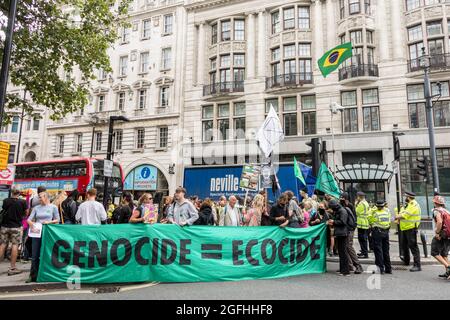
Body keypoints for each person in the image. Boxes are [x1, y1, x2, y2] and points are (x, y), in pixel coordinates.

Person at [26, 192, 59, 282]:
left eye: (40, 197)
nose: (39, 199)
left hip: (48, 233)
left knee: (47, 254)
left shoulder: (53, 207)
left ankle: (47, 274)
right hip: (37, 232)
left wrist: (49, 222)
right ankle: (33, 275)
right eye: (39, 197)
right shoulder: (36, 208)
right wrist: (31, 223)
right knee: (35, 254)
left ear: (46, 197)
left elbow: (57, 220)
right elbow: (28, 219)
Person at [0, 189, 28, 276]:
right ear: (19, 193)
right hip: (16, 227)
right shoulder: (22, 202)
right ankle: (12, 268)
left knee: (3, 245)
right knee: (15, 245)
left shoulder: (6, 201)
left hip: (4, 226)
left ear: (11, 192)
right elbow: (26, 213)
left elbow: (4, 210)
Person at [395, 191, 422, 272]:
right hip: (405, 228)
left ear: (408, 197)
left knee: (413, 247)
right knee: (404, 246)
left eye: (406, 197)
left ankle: (417, 265)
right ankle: (406, 261)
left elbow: (404, 216)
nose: (405, 198)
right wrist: (398, 215)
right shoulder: (408, 205)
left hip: (411, 229)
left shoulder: (413, 205)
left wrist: (396, 217)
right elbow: (400, 212)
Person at [340, 192, 363, 274]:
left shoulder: (349, 206)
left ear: (345, 199)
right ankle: (349, 266)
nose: (341, 200)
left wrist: (350, 228)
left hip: (350, 229)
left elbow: (351, 218)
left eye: (342, 198)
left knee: (349, 246)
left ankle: (358, 265)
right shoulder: (344, 206)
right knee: (345, 247)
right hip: (347, 229)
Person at [327, 200, 350, 276]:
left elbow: (343, 222)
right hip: (340, 233)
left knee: (343, 252)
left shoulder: (342, 211)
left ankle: (345, 271)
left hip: (343, 234)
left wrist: (333, 222)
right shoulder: (339, 210)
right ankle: (342, 269)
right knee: (341, 252)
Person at [369, 200, 392, 274]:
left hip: (377, 232)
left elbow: (369, 219)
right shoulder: (387, 211)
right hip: (386, 232)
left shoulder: (375, 212)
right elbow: (389, 220)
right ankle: (388, 269)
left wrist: (372, 208)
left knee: (378, 251)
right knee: (386, 251)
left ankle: (380, 269)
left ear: (377, 206)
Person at [430, 195, 450, 278]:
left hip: (442, 234)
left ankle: (449, 267)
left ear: (435, 203)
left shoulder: (436, 211)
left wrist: (437, 233)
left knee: (434, 252)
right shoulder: (446, 211)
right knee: (444, 254)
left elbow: (439, 222)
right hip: (449, 234)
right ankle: (448, 272)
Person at [355, 191, 370, 259]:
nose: (357, 197)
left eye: (357, 196)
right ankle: (364, 252)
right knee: (364, 239)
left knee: (362, 239)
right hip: (364, 223)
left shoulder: (361, 203)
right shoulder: (366, 202)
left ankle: (364, 253)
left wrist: (356, 204)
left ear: (359, 197)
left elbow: (357, 212)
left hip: (361, 223)